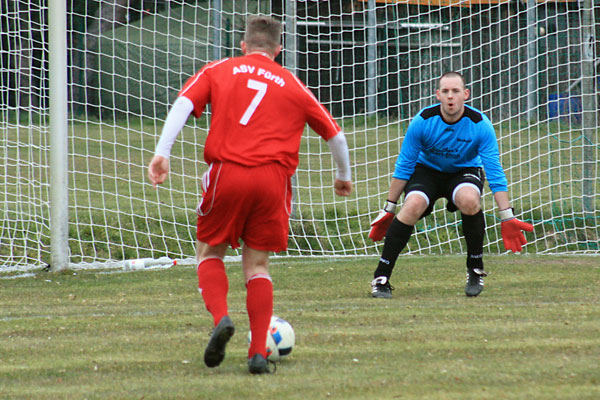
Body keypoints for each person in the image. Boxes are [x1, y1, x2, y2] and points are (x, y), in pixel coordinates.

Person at [148, 16, 352, 374]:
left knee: (210, 251)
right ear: (279, 50)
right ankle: (258, 353)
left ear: (243, 45)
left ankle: (222, 317)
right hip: (273, 181)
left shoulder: (219, 68)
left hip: (228, 172)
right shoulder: (293, 84)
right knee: (257, 266)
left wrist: (162, 152)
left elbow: (182, 105)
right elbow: (336, 136)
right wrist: (342, 176)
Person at [368, 71, 533, 299]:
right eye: (445, 91)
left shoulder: (480, 124)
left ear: (465, 94)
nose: (450, 96)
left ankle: (475, 269)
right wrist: (389, 208)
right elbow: (404, 166)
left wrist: (507, 216)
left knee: (469, 200)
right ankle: (381, 277)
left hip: (464, 171)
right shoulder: (423, 121)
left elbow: (495, 172)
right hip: (426, 172)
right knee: (413, 204)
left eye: (455, 91)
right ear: (438, 95)